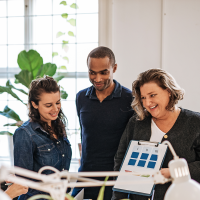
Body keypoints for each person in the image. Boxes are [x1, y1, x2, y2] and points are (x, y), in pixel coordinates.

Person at [112, 68, 200, 200]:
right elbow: (120, 162)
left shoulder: (195, 122)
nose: (147, 103)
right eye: (143, 97)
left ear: (168, 92)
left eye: (152, 95)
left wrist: (175, 171)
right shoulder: (136, 123)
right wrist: (118, 198)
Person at [71, 46, 134, 200]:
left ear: (114, 68)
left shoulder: (129, 99)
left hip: (115, 177)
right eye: (92, 72)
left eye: (103, 72)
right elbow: (85, 134)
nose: (97, 79)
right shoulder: (81, 98)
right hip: (86, 175)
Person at [13, 76, 72, 200]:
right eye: (48, 105)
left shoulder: (58, 127)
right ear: (34, 104)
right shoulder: (25, 134)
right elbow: (22, 184)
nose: (55, 109)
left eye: (58, 102)